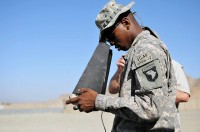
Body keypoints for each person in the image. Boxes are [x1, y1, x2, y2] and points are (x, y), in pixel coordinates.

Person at [66, 0, 180, 131]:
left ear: (126, 23)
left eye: (111, 37)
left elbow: (151, 107)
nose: (112, 43)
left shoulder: (145, 49)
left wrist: (98, 101)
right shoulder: (139, 49)